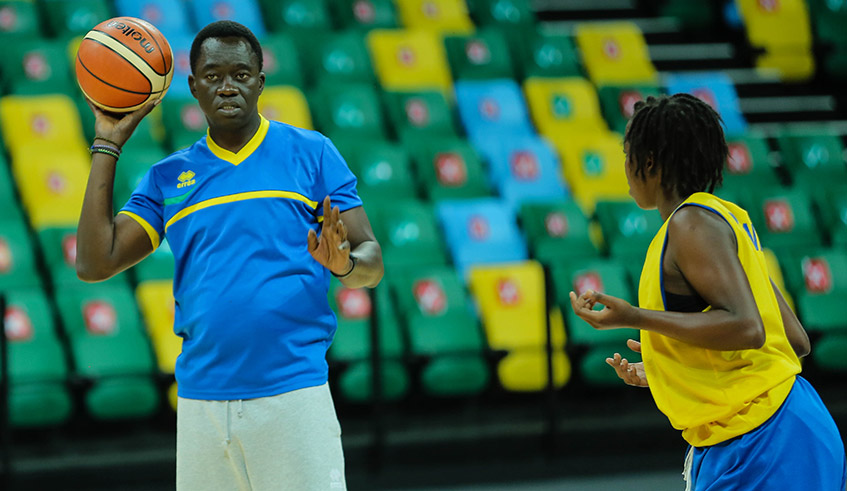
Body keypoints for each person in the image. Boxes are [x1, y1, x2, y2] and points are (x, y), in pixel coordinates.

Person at [76, 20, 382, 490]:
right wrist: (108, 143)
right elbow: (95, 263)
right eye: (213, 75)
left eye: (240, 75)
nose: (228, 87)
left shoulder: (311, 153)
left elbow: (371, 262)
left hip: (293, 396)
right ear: (193, 85)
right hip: (201, 402)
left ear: (260, 82)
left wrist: (344, 265)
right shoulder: (167, 178)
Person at [570, 94, 846, 490]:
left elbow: (747, 328)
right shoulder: (728, 218)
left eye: (628, 154)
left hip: (763, 438)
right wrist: (673, 367)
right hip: (784, 425)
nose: (626, 167)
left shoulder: (689, 226)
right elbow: (794, 339)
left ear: (649, 163)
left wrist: (634, 317)